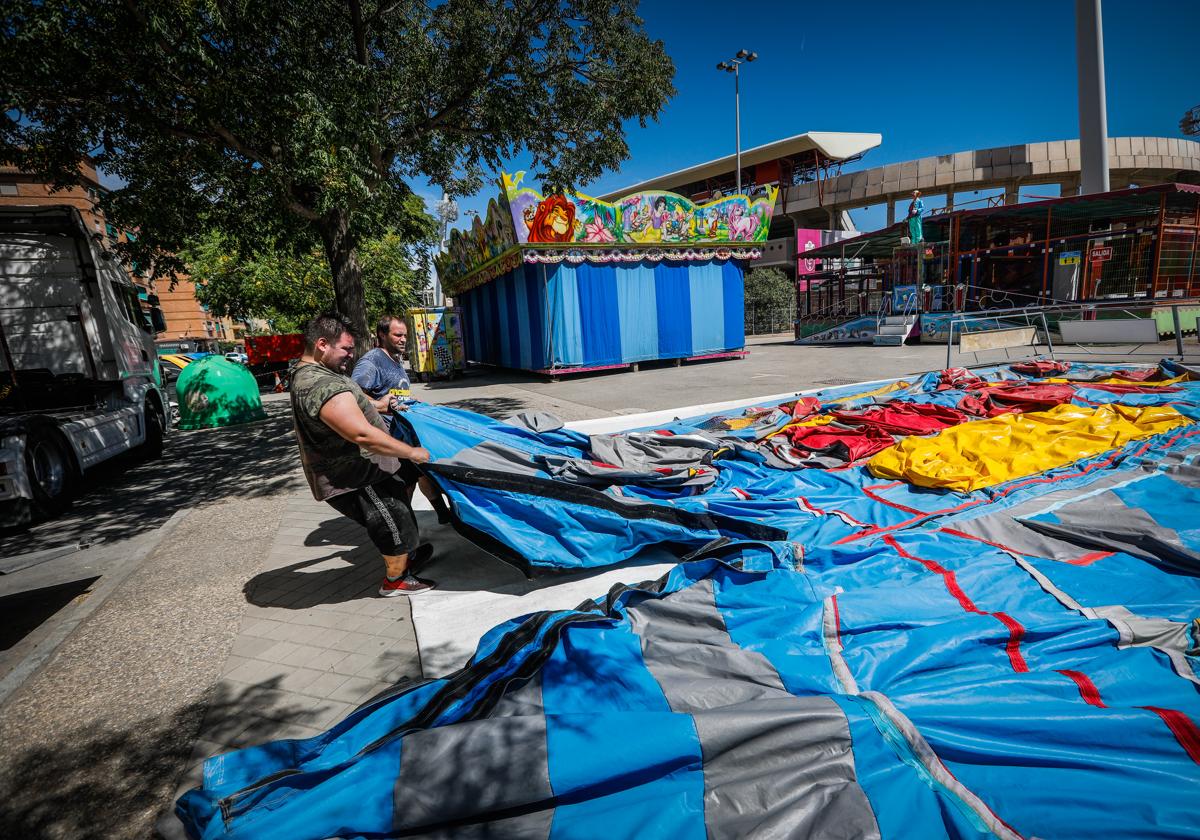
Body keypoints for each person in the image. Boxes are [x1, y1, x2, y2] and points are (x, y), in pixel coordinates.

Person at [290, 312, 436, 596]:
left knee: (399, 503)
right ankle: (395, 580)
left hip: (366, 467)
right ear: (322, 344)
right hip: (354, 474)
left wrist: (381, 406)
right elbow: (361, 434)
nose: (350, 355)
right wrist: (412, 452)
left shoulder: (317, 373)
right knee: (393, 522)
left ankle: (407, 558)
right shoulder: (321, 384)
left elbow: (355, 404)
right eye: (345, 349)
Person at [352, 315, 454, 524]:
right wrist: (381, 405)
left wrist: (409, 400)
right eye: (397, 335)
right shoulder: (372, 361)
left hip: (404, 434)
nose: (402, 339)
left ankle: (443, 515)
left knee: (422, 472)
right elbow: (353, 396)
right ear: (382, 334)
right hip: (389, 436)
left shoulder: (394, 360)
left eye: (405, 335)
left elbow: (394, 393)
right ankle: (405, 534)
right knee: (406, 484)